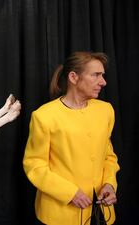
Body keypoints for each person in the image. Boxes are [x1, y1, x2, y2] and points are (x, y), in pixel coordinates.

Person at [23, 51, 120, 225]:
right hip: (60, 213)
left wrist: (110, 184)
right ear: (73, 77)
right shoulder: (44, 116)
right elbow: (35, 165)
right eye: (96, 75)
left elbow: (108, 156)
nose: (103, 82)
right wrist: (69, 193)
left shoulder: (106, 111)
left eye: (103, 75)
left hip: (100, 212)